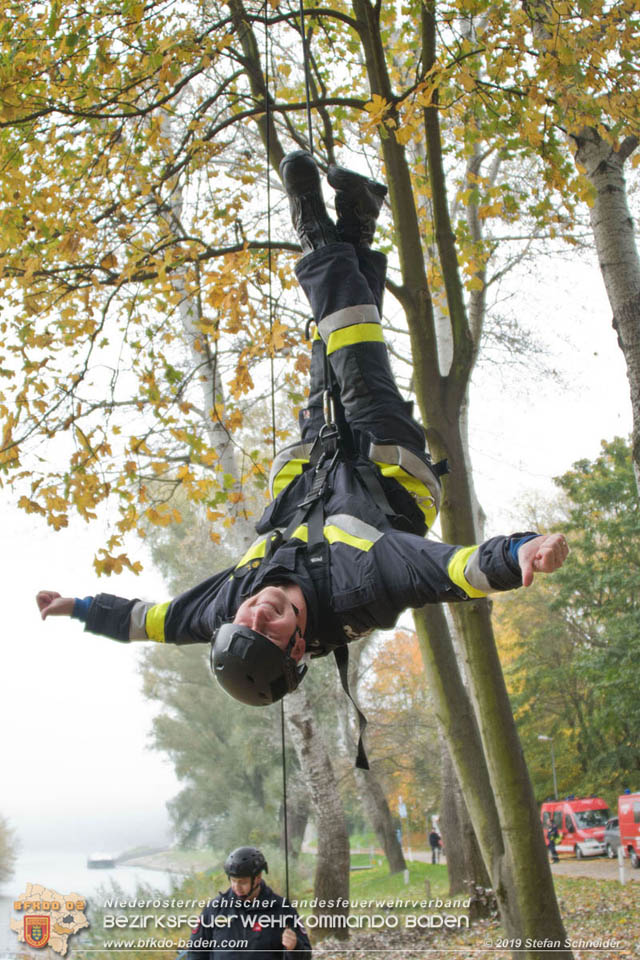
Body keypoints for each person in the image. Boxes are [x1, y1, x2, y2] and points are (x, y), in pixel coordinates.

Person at [36, 151, 569, 713]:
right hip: (384, 463)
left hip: (316, 458)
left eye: (243, 620)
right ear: (296, 649)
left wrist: (79, 607)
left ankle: (359, 217)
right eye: (264, 629)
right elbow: (453, 570)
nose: (256, 612)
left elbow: (156, 621)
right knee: (352, 340)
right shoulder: (363, 588)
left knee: (328, 340)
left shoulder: (233, 602)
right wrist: (520, 552)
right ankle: (313, 224)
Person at [183, 846, 311, 958]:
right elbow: (195, 953)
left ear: (258, 878)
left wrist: (295, 947)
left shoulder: (283, 909)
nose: (237, 887)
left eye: (243, 882)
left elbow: (306, 956)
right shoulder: (214, 909)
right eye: (233, 880)